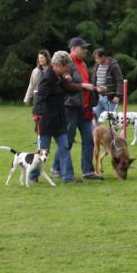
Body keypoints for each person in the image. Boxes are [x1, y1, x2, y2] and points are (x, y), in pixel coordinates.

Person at [31, 50, 77, 183]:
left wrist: (66, 79)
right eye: (67, 66)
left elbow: (62, 89)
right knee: (41, 152)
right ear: (60, 64)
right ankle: (33, 176)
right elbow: (40, 96)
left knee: (64, 147)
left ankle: (68, 177)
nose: (68, 69)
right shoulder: (47, 77)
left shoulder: (59, 76)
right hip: (46, 120)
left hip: (59, 119)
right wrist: (36, 113)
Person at [62, 37, 100, 180]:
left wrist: (96, 89)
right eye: (82, 48)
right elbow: (65, 86)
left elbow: (87, 83)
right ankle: (56, 169)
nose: (86, 50)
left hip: (84, 108)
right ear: (73, 49)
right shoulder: (66, 63)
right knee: (67, 140)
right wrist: (83, 86)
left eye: (86, 48)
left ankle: (87, 171)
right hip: (70, 107)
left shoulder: (83, 64)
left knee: (89, 139)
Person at [91, 48, 124, 117]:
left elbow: (119, 81)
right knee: (94, 119)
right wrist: (95, 88)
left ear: (103, 57)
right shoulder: (97, 65)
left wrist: (118, 95)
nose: (95, 60)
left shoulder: (114, 66)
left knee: (112, 120)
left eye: (97, 58)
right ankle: (96, 128)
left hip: (110, 98)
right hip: (98, 97)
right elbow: (94, 79)